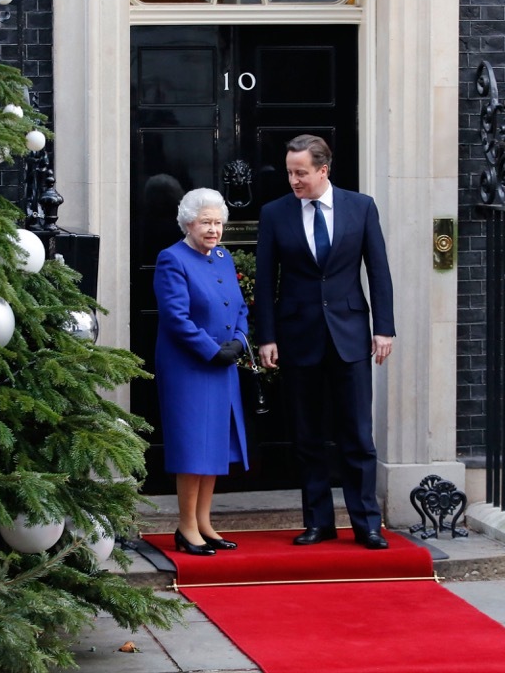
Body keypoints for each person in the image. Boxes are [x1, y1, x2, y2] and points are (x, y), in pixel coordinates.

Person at [254, 135, 395, 550]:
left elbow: (379, 270)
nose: (294, 180)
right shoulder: (275, 213)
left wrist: (383, 328)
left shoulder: (361, 207)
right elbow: (266, 282)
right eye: (289, 172)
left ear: (322, 170)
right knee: (307, 436)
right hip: (299, 337)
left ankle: (366, 523)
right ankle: (318, 521)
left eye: (301, 173)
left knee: (357, 435)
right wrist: (267, 336)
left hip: (350, 335)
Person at [153, 187, 250, 556]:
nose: (214, 229)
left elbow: (239, 306)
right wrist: (212, 350)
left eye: (218, 222)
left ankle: (205, 521)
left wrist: (240, 341)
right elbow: (176, 318)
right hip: (189, 367)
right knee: (193, 445)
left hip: (222, 363)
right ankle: (186, 526)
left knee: (216, 444)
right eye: (206, 222)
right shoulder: (172, 259)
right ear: (188, 223)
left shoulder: (223, 257)